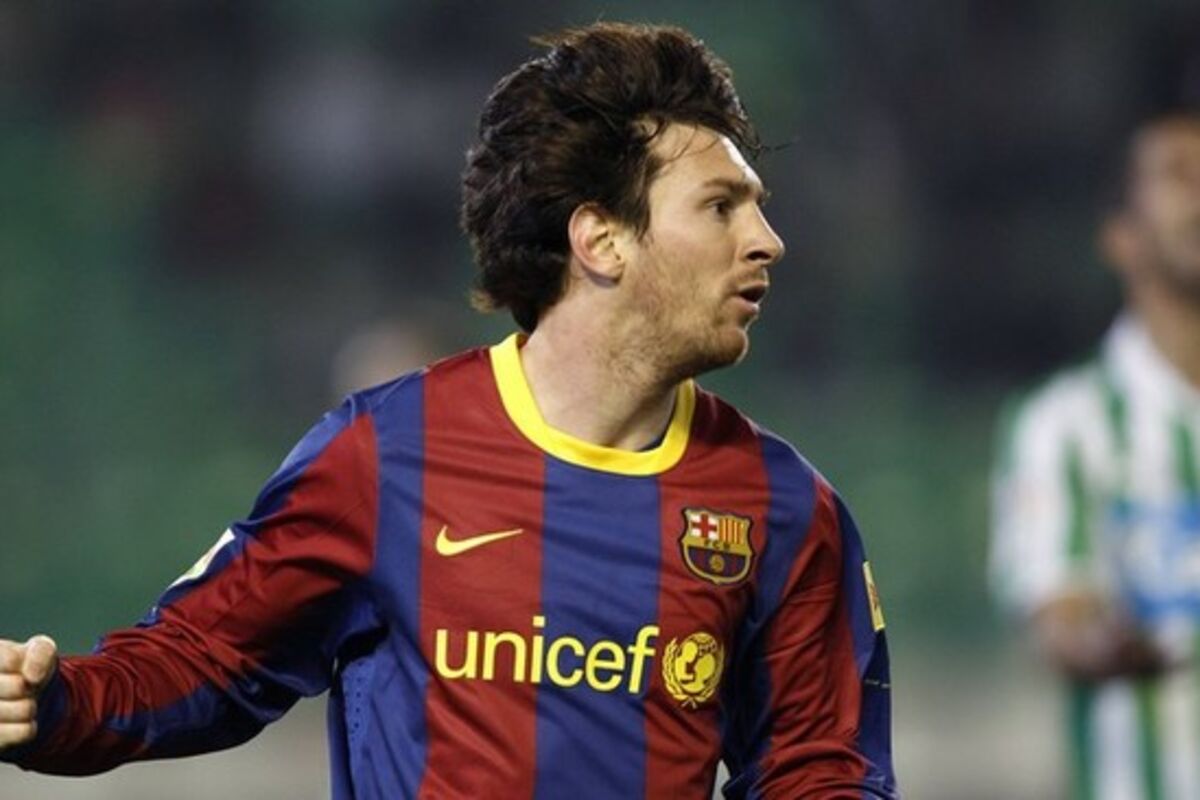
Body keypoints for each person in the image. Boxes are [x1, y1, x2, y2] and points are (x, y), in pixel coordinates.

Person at [0, 22, 897, 799]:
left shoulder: (784, 508)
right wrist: (54, 706)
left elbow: (821, 770)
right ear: (602, 239)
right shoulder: (385, 454)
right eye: (721, 206)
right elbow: (206, 657)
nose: (767, 241)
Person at [991, 112, 1200, 799]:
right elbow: (1061, 616)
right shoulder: (1065, 426)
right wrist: (1104, 641)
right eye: (1180, 176)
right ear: (1122, 237)